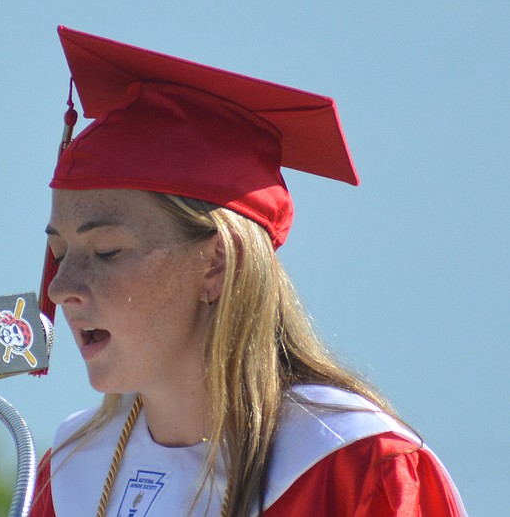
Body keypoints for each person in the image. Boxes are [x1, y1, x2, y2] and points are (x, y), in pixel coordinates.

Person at [29, 26, 467, 517]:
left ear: (215, 264)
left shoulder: (354, 467)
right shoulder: (67, 479)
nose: (60, 287)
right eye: (60, 252)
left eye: (106, 251)